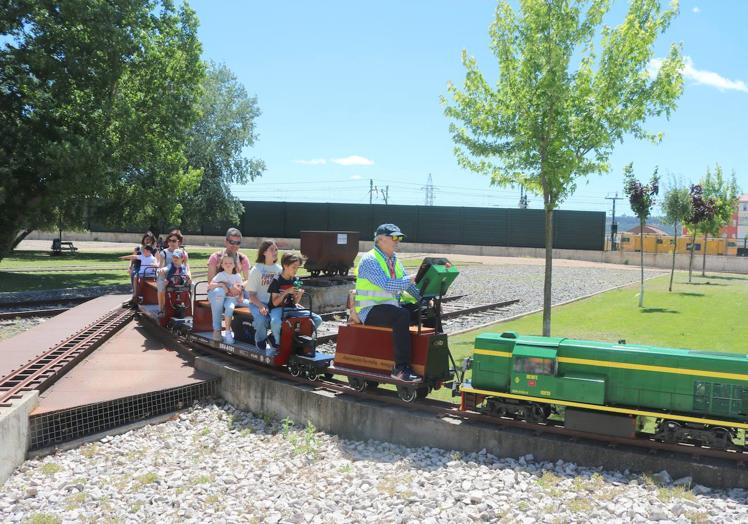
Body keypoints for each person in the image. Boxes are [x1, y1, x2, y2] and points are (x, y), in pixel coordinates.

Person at [354, 223, 422, 382]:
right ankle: (400, 369)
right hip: (369, 310)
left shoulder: (395, 260)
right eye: (394, 237)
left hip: (390, 307)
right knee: (401, 316)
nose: (397, 240)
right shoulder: (369, 260)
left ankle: (426, 363)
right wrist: (412, 277)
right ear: (381, 240)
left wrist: (423, 299)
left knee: (424, 311)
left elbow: (409, 286)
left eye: (399, 237)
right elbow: (388, 285)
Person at [268, 252, 322, 353]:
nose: (296, 270)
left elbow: (295, 302)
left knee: (317, 319)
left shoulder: (295, 280)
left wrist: (299, 295)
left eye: (298, 267)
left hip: (292, 308)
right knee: (275, 322)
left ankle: (300, 340)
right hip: (278, 308)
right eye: (294, 267)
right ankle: (277, 342)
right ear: (285, 266)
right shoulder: (276, 280)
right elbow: (274, 303)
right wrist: (287, 292)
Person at [207, 227, 251, 341]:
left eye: (237, 243)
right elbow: (210, 281)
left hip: (235, 292)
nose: (234, 245)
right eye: (231, 242)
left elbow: (249, 279)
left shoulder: (242, 258)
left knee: (252, 293)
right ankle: (217, 330)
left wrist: (239, 288)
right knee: (219, 292)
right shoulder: (215, 257)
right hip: (217, 291)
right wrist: (225, 286)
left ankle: (253, 330)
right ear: (226, 241)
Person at [245, 239, 281, 350]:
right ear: (264, 252)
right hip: (257, 303)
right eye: (272, 250)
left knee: (281, 321)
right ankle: (260, 339)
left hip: (274, 304)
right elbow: (251, 295)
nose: (275, 252)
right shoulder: (256, 270)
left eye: (276, 250)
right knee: (261, 320)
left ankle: (273, 338)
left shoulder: (279, 269)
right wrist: (261, 306)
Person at [208, 253, 244, 344]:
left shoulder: (237, 276)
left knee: (251, 304)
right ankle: (228, 332)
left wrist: (241, 297)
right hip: (228, 299)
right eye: (226, 263)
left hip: (236, 298)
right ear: (222, 265)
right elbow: (210, 286)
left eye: (230, 263)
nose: (228, 265)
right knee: (230, 307)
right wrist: (221, 284)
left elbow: (241, 289)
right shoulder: (220, 275)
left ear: (234, 265)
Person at [156, 230, 190, 316]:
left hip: (180, 275)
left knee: (192, 286)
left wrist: (189, 277)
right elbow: (161, 266)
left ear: (179, 242)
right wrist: (164, 277)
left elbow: (186, 267)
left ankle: (188, 309)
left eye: (174, 241)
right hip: (166, 274)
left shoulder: (183, 253)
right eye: (169, 240)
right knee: (161, 285)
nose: (171, 243)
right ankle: (161, 309)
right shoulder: (164, 252)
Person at [123, 231, 156, 307]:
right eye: (146, 239)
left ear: (152, 241)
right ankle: (135, 294)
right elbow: (132, 258)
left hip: (149, 268)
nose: (148, 241)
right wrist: (129, 267)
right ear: (143, 239)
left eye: (150, 239)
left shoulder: (154, 250)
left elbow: (157, 260)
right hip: (138, 267)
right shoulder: (138, 248)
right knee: (133, 273)